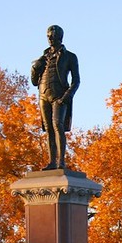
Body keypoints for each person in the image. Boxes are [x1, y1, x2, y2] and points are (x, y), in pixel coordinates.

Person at [31, 25, 79, 170]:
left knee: (57, 124)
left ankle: (61, 162)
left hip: (59, 95)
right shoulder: (43, 58)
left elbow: (76, 80)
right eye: (48, 36)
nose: (50, 39)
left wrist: (66, 97)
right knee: (48, 128)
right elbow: (34, 82)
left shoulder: (70, 56)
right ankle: (52, 162)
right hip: (43, 94)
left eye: (53, 36)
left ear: (60, 37)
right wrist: (34, 68)